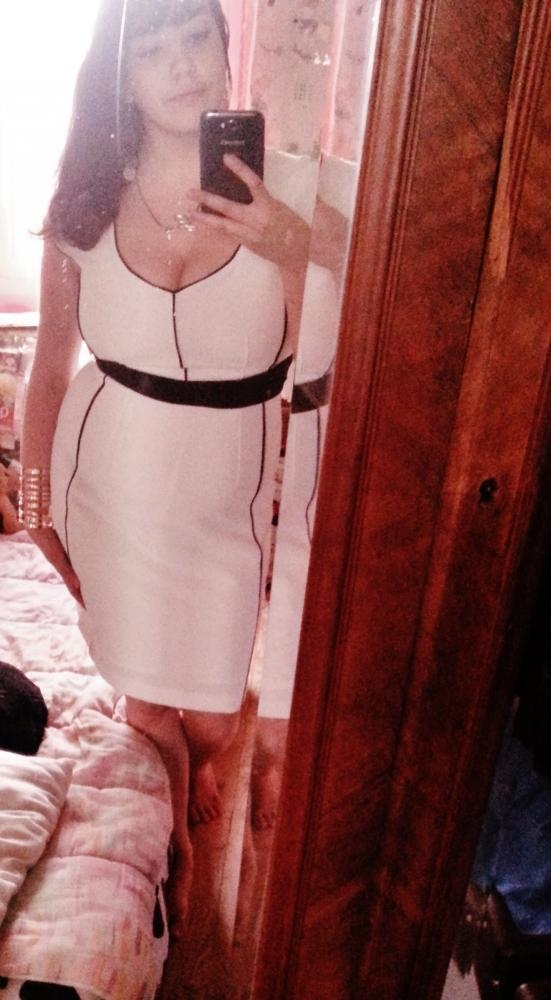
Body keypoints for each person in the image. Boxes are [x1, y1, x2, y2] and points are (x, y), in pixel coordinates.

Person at [19, 0, 311, 936]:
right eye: (152, 50)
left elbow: (368, 321)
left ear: (226, 50)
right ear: (122, 76)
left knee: (216, 710)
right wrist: (36, 506)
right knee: (148, 698)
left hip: (228, 492)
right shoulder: (85, 199)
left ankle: (204, 757)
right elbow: (50, 367)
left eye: (196, 39)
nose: (181, 65)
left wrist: (295, 247)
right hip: (107, 483)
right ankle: (175, 838)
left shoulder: (298, 190)